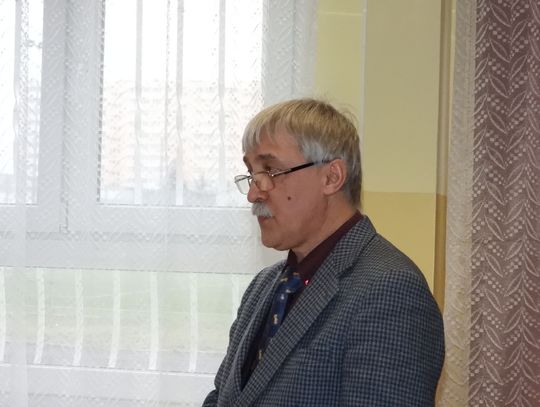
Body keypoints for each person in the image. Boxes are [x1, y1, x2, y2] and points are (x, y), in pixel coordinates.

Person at [202, 98, 445, 406]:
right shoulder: (263, 286)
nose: (253, 193)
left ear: (332, 177)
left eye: (271, 171)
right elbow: (222, 397)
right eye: (251, 173)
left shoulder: (390, 290)